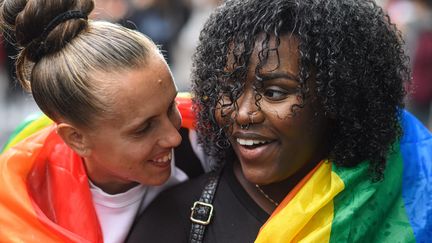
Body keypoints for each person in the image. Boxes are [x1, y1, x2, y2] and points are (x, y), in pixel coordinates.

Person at [127, 0, 432, 242]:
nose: (243, 112)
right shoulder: (174, 220)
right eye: (229, 88)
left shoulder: (409, 199)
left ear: (338, 96)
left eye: (274, 92)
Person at [0, 0, 190, 242]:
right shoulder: (22, 205)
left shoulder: (209, 144)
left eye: (171, 106)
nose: (174, 136)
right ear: (76, 139)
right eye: (143, 129)